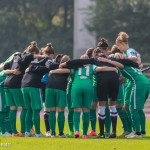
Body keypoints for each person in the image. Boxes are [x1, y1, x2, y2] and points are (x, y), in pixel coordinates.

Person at [99, 53, 150, 138]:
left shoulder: (121, 65)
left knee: (132, 109)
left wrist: (107, 60)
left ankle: (137, 133)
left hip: (138, 84)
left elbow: (119, 64)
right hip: (145, 83)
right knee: (139, 109)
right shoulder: (130, 66)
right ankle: (142, 132)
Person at [116, 32, 139, 136]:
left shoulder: (129, 51)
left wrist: (124, 59)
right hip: (129, 81)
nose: (118, 48)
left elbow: (134, 59)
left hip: (134, 82)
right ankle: (131, 130)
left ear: (121, 44)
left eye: (118, 46)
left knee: (129, 107)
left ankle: (135, 131)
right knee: (126, 107)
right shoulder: (126, 53)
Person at [45, 55, 70, 138]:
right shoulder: (68, 68)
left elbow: (48, 66)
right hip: (60, 88)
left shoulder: (53, 66)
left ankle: (52, 133)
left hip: (49, 87)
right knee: (60, 111)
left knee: (52, 111)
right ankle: (61, 133)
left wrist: (52, 71)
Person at [0, 54, 14, 136]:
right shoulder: (5, 72)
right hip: (0, 91)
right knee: (2, 111)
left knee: (5, 111)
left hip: (4, 91)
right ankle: (3, 131)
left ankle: (7, 130)